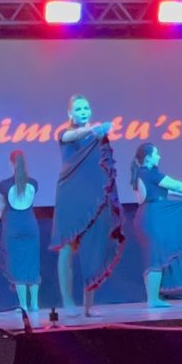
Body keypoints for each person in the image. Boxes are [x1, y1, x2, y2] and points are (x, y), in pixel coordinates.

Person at [50, 95, 125, 315]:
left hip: (94, 197)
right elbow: (74, 135)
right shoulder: (65, 133)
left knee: (93, 247)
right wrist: (93, 130)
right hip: (70, 196)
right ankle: (68, 303)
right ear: (70, 114)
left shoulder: (98, 135)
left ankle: (88, 307)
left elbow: (105, 166)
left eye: (85, 108)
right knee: (67, 246)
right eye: (78, 109)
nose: (83, 112)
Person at [131, 142, 182, 307]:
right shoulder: (150, 174)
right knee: (155, 259)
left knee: (152, 258)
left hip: (144, 217)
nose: (159, 157)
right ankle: (153, 300)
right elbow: (176, 185)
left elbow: (168, 190)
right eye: (156, 154)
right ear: (148, 158)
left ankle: (153, 298)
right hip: (153, 218)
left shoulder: (140, 174)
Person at [0, 150, 40, 316]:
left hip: (14, 227)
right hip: (30, 226)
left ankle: (23, 305)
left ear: (11, 163)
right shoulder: (34, 183)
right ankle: (35, 304)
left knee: (17, 265)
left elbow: (3, 208)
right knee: (32, 264)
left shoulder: (3, 185)